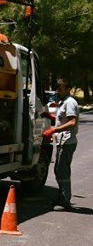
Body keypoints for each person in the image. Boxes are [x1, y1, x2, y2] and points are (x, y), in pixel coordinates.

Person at [44, 78, 79, 209]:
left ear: (68, 89)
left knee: (62, 171)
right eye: (57, 89)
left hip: (67, 141)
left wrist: (53, 130)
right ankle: (62, 197)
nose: (57, 91)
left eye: (60, 89)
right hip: (62, 141)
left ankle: (65, 199)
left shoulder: (70, 102)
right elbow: (62, 120)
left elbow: (71, 122)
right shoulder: (63, 102)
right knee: (59, 169)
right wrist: (50, 117)